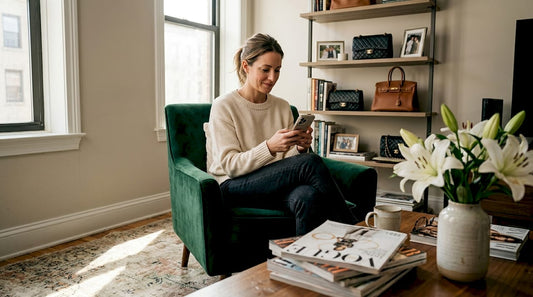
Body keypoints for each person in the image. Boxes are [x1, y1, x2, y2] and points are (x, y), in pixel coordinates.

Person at [205, 33, 357, 235]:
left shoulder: (282, 106)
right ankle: (355, 231)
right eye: (265, 70)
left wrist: (300, 147)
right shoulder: (224, 105)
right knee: (310, 162)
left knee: (307, 195)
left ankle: (303, 263)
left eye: (277, 70)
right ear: (246, 66)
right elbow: (231, 166)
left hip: (272, 184)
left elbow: (288, 164)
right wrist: (269, 147)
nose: (272, 78)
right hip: (232, 185)